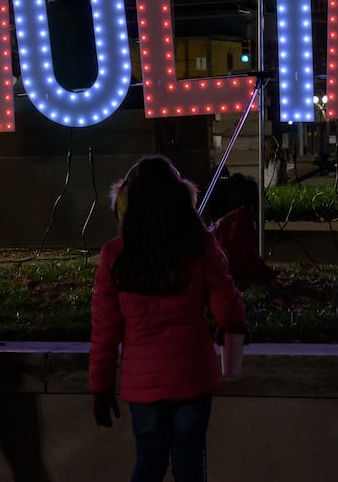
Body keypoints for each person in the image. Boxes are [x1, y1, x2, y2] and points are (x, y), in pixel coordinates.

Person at [90, 155, 247, 482]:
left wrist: (101, 388)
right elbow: (227, 308)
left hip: (143, 384)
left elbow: (104, 332)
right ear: (182, 199)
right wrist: (233, 329)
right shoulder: (200, 245)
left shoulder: (114, 255)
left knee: (148, 460)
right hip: (193, 376)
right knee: (190, 462)